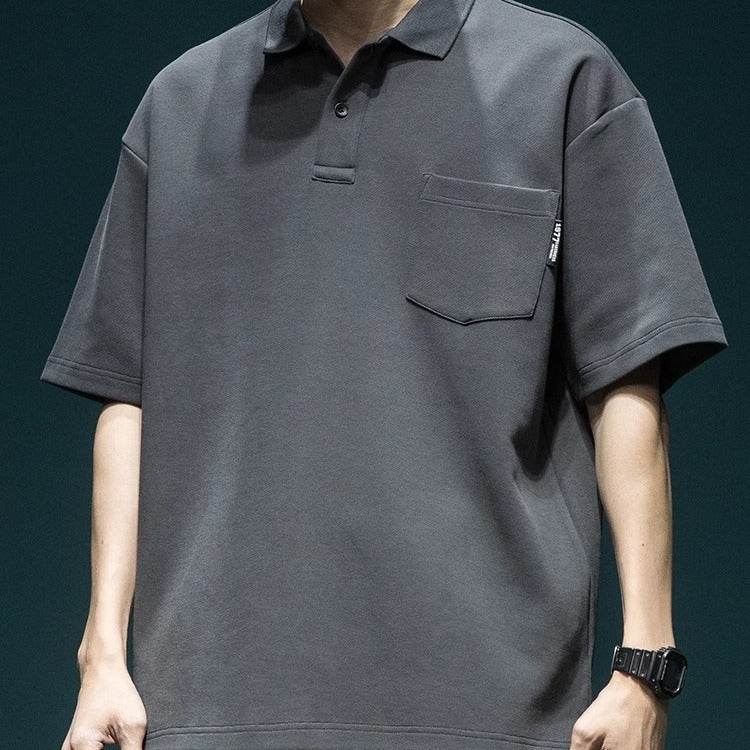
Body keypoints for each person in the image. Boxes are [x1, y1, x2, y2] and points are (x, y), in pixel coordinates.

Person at [40, 1, 729, 749]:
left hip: (490, 715)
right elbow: (129, 396)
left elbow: (625, 383)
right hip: (209, 712)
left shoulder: (560, 78)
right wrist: (100, 655)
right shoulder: (179, 106)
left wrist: (644, 663)